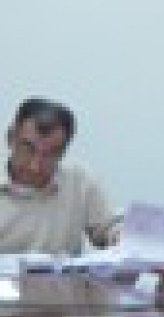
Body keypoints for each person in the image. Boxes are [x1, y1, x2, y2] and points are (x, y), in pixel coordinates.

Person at [0, 97, 121, 255]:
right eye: (28, 149)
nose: (35, 166)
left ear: (64, 152)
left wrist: (124, 238)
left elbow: (109, 230)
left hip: (63, 272)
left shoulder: (79, 181)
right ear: (10, 137)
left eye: (50, 155)